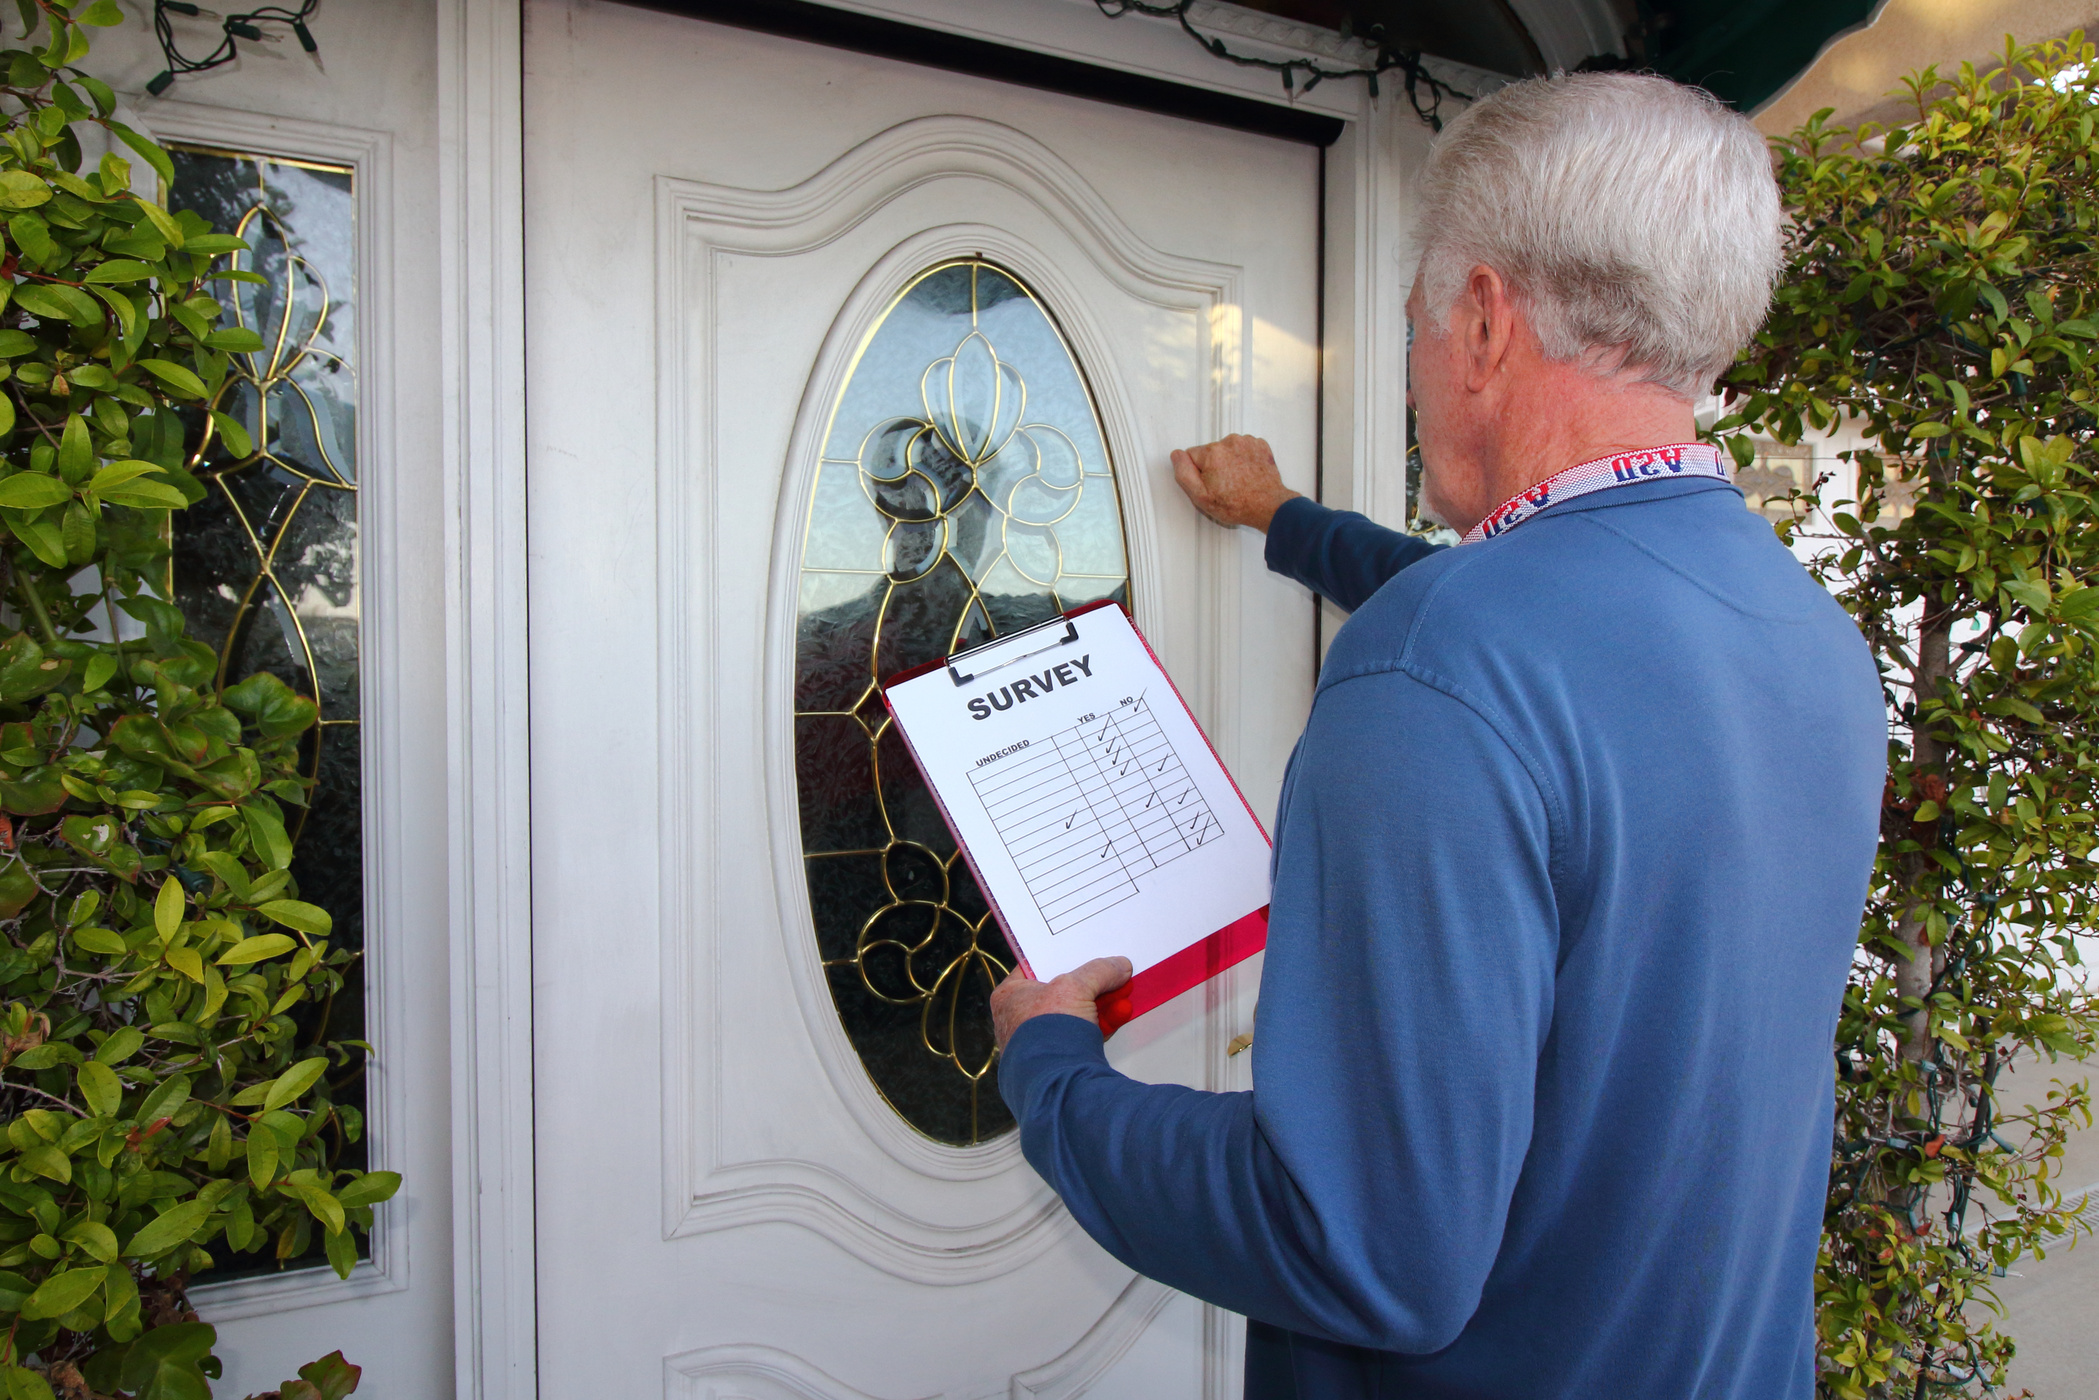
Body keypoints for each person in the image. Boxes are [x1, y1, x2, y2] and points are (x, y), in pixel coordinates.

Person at [988, 72, 1886, 1400]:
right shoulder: (1805, 633)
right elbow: (1563, 641)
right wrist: (1291, 524)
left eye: (1411, 322)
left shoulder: (1432, 676)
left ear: (1480, 322)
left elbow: (1360, 1250)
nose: (1411, 368)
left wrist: (1051, 1069)